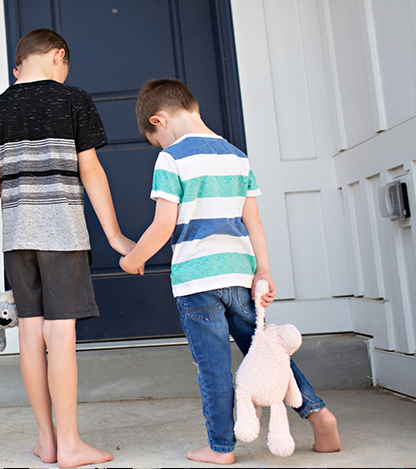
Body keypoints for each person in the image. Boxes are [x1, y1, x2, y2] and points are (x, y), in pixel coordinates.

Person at [119, 78, 342, 464]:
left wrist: (132, 259)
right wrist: (264, 272)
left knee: (214, 366)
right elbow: (254, 222)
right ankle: (319, 415)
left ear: (159, 120)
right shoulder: (237, 156)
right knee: (265, 350)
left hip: (197, 280)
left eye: (157, 138)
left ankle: (220, 447)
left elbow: (162, 226)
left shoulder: (171, 158)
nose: (161, 146)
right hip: (240, 275)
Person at [0, 28, 136, 468]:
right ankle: (71, 445)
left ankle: (47, 442)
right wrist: (117, 236)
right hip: (62, 236)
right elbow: (92, 171)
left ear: (17, 67)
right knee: (59, 335)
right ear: (59, 56)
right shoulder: (73, 99)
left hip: (16, 240)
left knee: (30, 335)